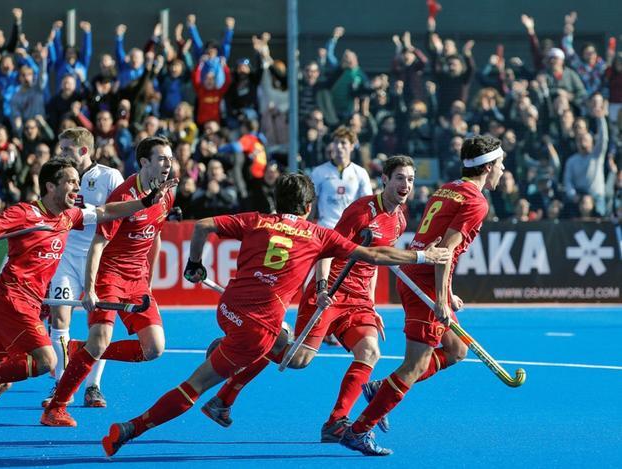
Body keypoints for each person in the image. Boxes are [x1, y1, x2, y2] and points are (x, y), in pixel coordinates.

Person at [99, 173, 450, 457]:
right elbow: (375, 256)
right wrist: (422, 258)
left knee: (275, 338)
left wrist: (194, 265)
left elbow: (203, 226)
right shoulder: (317, 234)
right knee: (200, 384)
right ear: (310, 207)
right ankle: (130, 429)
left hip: (227, 309)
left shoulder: (256, 220)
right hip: (256, 329)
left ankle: (225, 374)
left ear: (275, 201)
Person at [201, 156, 417, 442]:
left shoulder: (400, 219)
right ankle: (226, 392)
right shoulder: (361, 212)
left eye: (411, 180)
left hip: (358, 299)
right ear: (385, 180)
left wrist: (371, 304)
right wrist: (323, 287)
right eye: (400, 178)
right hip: (331, 291)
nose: (406, 185)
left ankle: (336, 422)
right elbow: (325, 250)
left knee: (370, 352)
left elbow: (376, 263)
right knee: (298, 359)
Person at [0, 158, 176, 425]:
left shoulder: (68, 216)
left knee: (2, 382)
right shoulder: (26, 213)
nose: (78, 187)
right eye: (72, 182)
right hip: (12, 300)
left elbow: (106, 211)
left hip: (32, 302)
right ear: (51, 187)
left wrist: (145, 202)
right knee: (45, 361)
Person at [340, 134, 505, 456]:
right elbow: (446, 250)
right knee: (414, 365)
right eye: (500, 164)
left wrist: (448, 292)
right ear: (487, 167)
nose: (503, 170)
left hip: (423, 277)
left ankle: (380, 388)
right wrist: (441, 298)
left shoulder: (449, 188)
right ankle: (358, 430)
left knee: (456, 350)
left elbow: (438, 243)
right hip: (427, 284)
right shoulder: (476, 201)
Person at [40, 136, 176, 427]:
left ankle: (79, 349)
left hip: (137, 279)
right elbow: (98, 244)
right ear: (144, 163)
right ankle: (56, 408)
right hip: (110, 275)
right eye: (162, 158)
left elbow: (156, 235)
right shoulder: (124, 197)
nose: (168, 163)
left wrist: (148, 280)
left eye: (170, 158)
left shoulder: (167, 194)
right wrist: (89, 288)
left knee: (154, 349)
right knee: (100, 339)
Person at [41, 128, 123, 409]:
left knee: (98, 329)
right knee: (59, 318)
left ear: (84, 151)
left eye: (66, 150)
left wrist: (87, 208)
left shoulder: (110, 176)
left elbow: (121, 212)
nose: (61, 154)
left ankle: (93, 386)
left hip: (100, 260)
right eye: (60, 149)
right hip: (66, 258)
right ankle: (62, 385)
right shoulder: (58, 176)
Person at [311, 125, 372, 345]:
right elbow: (312, 204)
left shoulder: (359, 173)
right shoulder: (319, 172)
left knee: (343, 282)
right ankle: (316, 326)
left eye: (343, 143)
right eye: (335, 143)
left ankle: (337, 325)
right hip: (325, 231)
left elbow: (367, 206)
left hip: (349, 235)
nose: (338, 147)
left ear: (352, 146)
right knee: (319, 281)